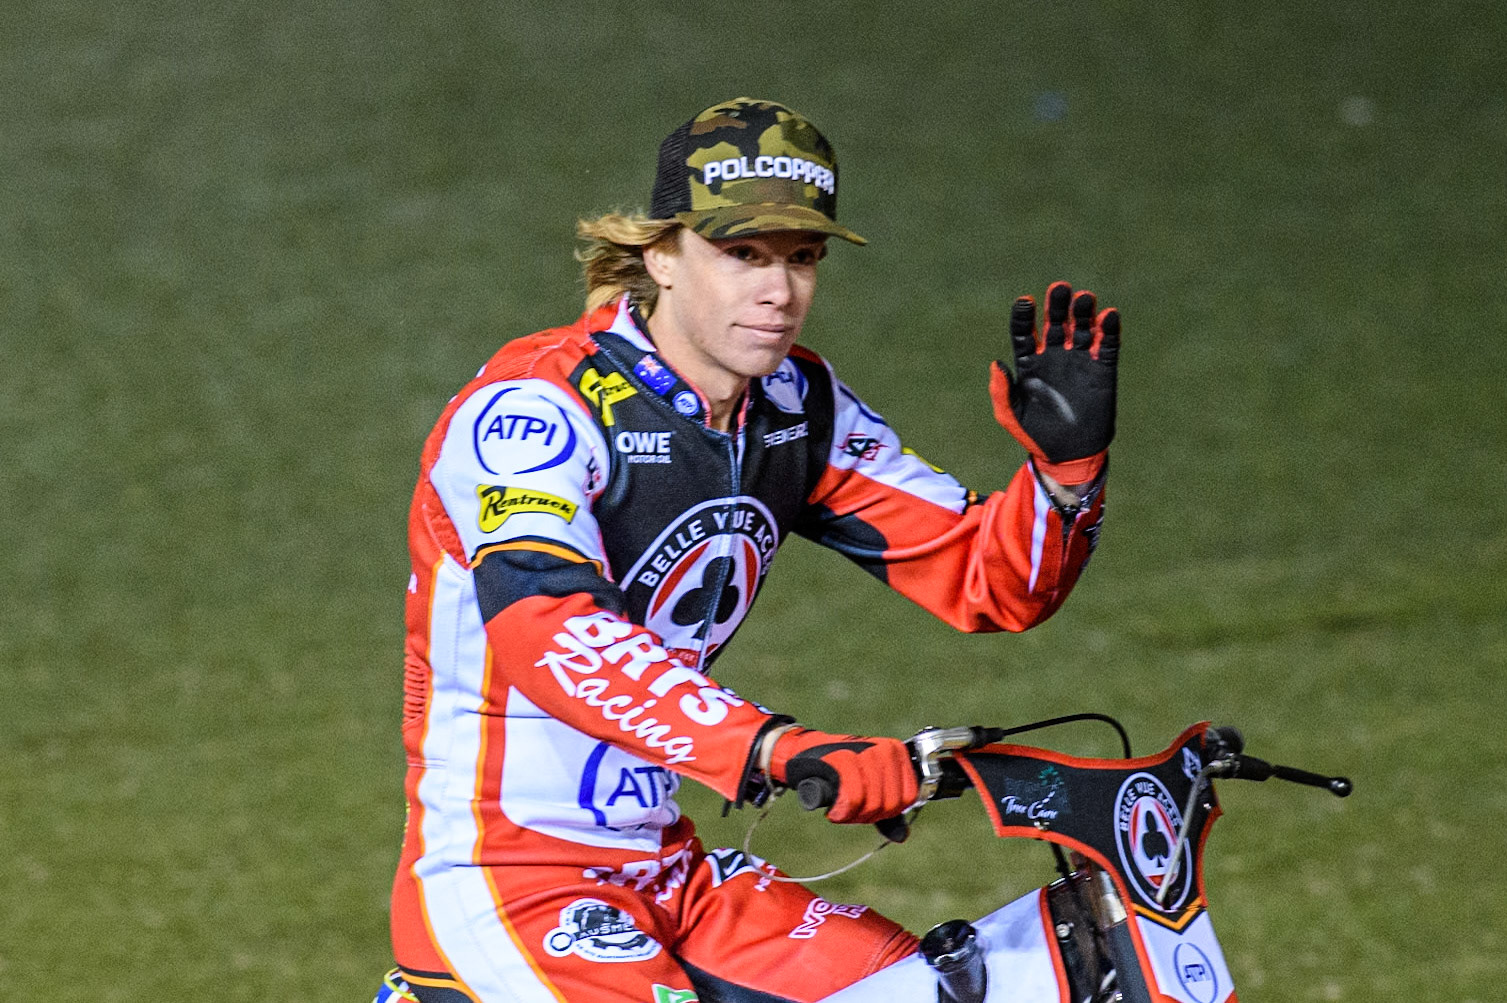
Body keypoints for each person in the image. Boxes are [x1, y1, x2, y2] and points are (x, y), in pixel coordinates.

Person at [377, 97, 1119, 1003]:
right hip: (508, 879)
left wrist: (1063, 478)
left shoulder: (794, 406)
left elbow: (989, 578)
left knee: (932, 992)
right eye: (743, 255)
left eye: (800, 258)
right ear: (660, 255)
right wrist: (774, 746)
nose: (779, 292)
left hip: (666, 868)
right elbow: (554, 632)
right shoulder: (533, 409)